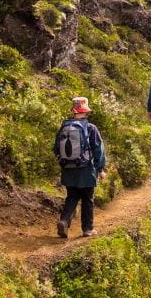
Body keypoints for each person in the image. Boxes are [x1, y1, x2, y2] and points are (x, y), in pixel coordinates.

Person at [54, 96, 106, 239]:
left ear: (74, 110)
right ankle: (87, 229)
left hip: (68, 169)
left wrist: (65, 165)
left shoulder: (64, 127)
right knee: (87, 198)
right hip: (86, 170)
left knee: (72, 196)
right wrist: (100, 169)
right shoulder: (90, 128)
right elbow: (98, 150)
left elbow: (56, 148)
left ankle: (64, 221)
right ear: (86, 111)